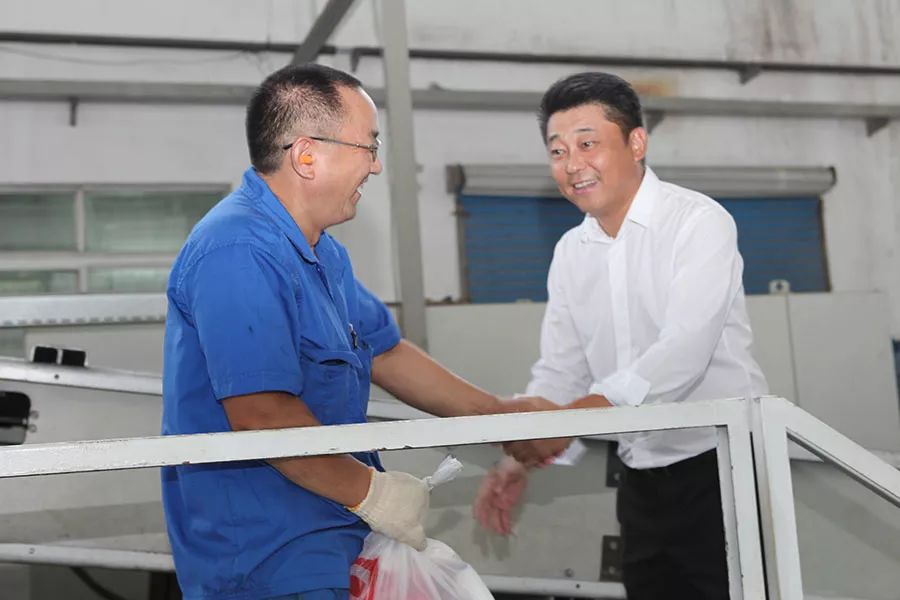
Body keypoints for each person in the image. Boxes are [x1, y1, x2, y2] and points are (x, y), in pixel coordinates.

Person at [161, 63, 507, 600]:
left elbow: (386, 352)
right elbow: (261, 413)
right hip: (265, 552)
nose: (375, 164)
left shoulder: (320, 252)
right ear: (306, 156)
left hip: (328, 530)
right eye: (369, 146)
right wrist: (375, 494)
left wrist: (503, 418)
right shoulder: (238, 249)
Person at [473, 72, 768, 600]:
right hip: (639, 472)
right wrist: (518, 458)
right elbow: (562, 369)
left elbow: (683, 352)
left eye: (588, 144)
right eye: (558, 150)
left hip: (722, 466)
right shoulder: (572, 252)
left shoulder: (698, 222)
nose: (572, 164)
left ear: (636, 142)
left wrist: (571, 421)